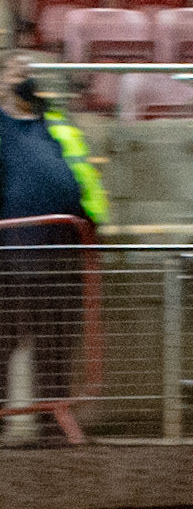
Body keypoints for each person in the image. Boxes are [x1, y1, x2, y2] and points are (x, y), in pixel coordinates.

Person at [0, 50, 108, 445]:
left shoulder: (57, 123)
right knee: (3, 344)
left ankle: (52, 428)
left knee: (56, 345)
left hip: (61, 254)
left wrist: (94, 224)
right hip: (10, 256)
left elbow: (82, 176)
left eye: (30, 70)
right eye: (16, 69)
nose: (24, 75)